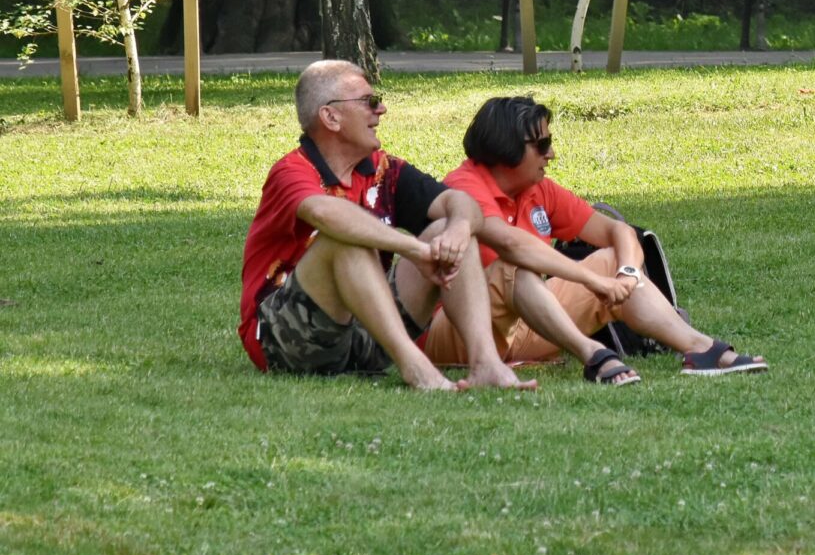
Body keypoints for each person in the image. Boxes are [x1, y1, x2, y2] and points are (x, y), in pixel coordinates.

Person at [417, 96, 768, 383]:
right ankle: (593, 354)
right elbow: (512, 245)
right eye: (542, 145)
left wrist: (627, 272)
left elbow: (618, 231)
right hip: (458, 331)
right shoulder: (464, 186)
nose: (551, 154)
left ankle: (699, 349)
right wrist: (590, 280)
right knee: (516, 266)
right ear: (505, 149)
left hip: (525, 323)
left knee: (610, 260)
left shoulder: (538, 189)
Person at [239, 60, 534, 392]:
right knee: (345, 237)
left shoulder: (384, 170)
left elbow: (461, 202)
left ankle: (487, 365)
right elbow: (325, 213)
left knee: (448, 230)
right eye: (369, 101)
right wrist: (413, 248)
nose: (381, 109)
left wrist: (459, 230)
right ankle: (416, 368)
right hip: (286, 341)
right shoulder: (292, 171)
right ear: (331, 117)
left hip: (365, 336)